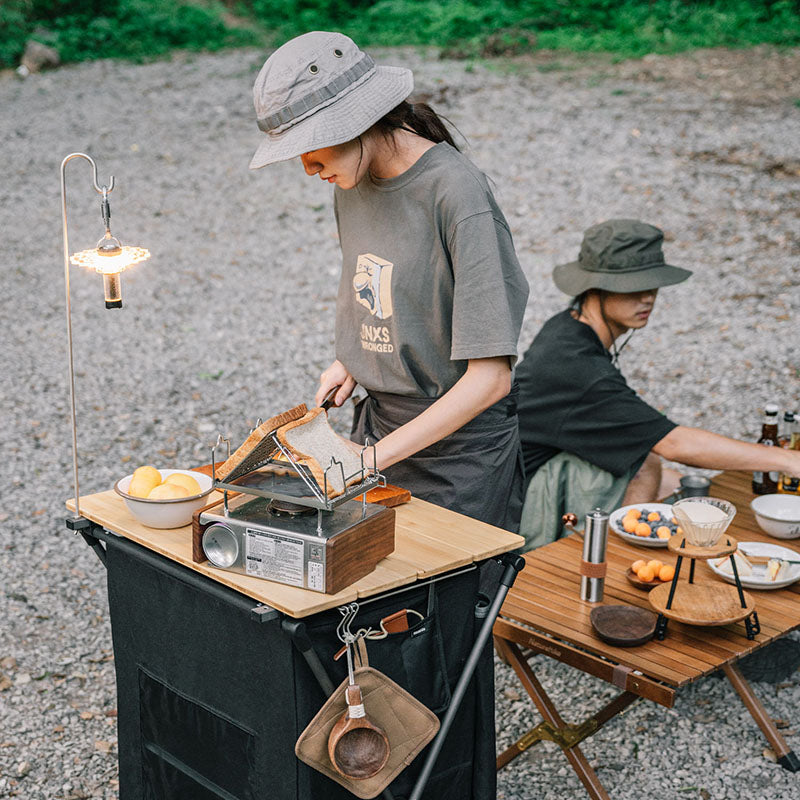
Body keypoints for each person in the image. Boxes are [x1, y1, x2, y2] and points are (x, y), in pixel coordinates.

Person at [248, 31, 529, 531]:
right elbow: (383, 291)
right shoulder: (352, 180)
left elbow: (491, 379)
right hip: (379, 434)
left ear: (356, 121)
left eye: (311, 146)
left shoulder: (458, 194)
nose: (307, 168)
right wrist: (353, 359)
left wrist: (366, 461)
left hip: (459, 457)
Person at [515, 219, 800, 550]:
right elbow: (674, 444)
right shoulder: (580, 369)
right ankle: (613, 558)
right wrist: (787, 460)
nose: (648, 296)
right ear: (595, 287)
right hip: (518, 501)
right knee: (647, 464)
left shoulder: (566, 325)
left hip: (523, 471)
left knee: (674, 482)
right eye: (633, 286)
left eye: (653, 284)